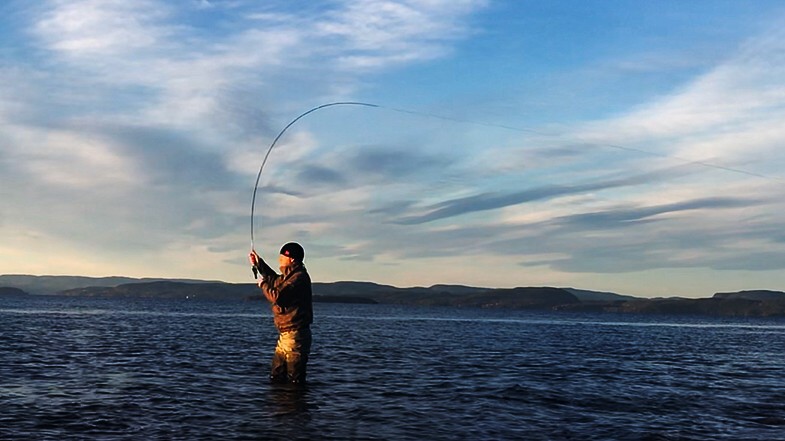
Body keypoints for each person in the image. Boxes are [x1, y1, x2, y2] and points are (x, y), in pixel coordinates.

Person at [249, 242, 313, 384]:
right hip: (285, 337)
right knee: (276, 377)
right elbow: (275, 280)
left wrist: (263, 284)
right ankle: (279, 405)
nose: (279, 259)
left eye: (282, 256)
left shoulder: (298, 278)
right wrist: (259, 263)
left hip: (296, 338)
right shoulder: (289, 277)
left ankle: (295, 406)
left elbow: (277, 296)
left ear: (291, 259)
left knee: (295, 380)